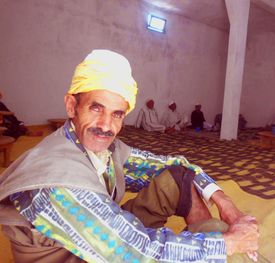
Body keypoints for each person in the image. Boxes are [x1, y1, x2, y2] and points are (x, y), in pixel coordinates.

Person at [0, 50, 259, 262]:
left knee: (178, 179)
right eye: (96, 108)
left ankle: (212, 236)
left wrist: (223, 200)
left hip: (102, 240)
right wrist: (228, 242)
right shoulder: (58, 182)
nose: (105, 125)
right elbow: (134, 253)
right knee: (213, 243)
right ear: (72, 106)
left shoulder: (101, 149)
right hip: (74, 257)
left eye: (117, 114)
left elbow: (176, 165)